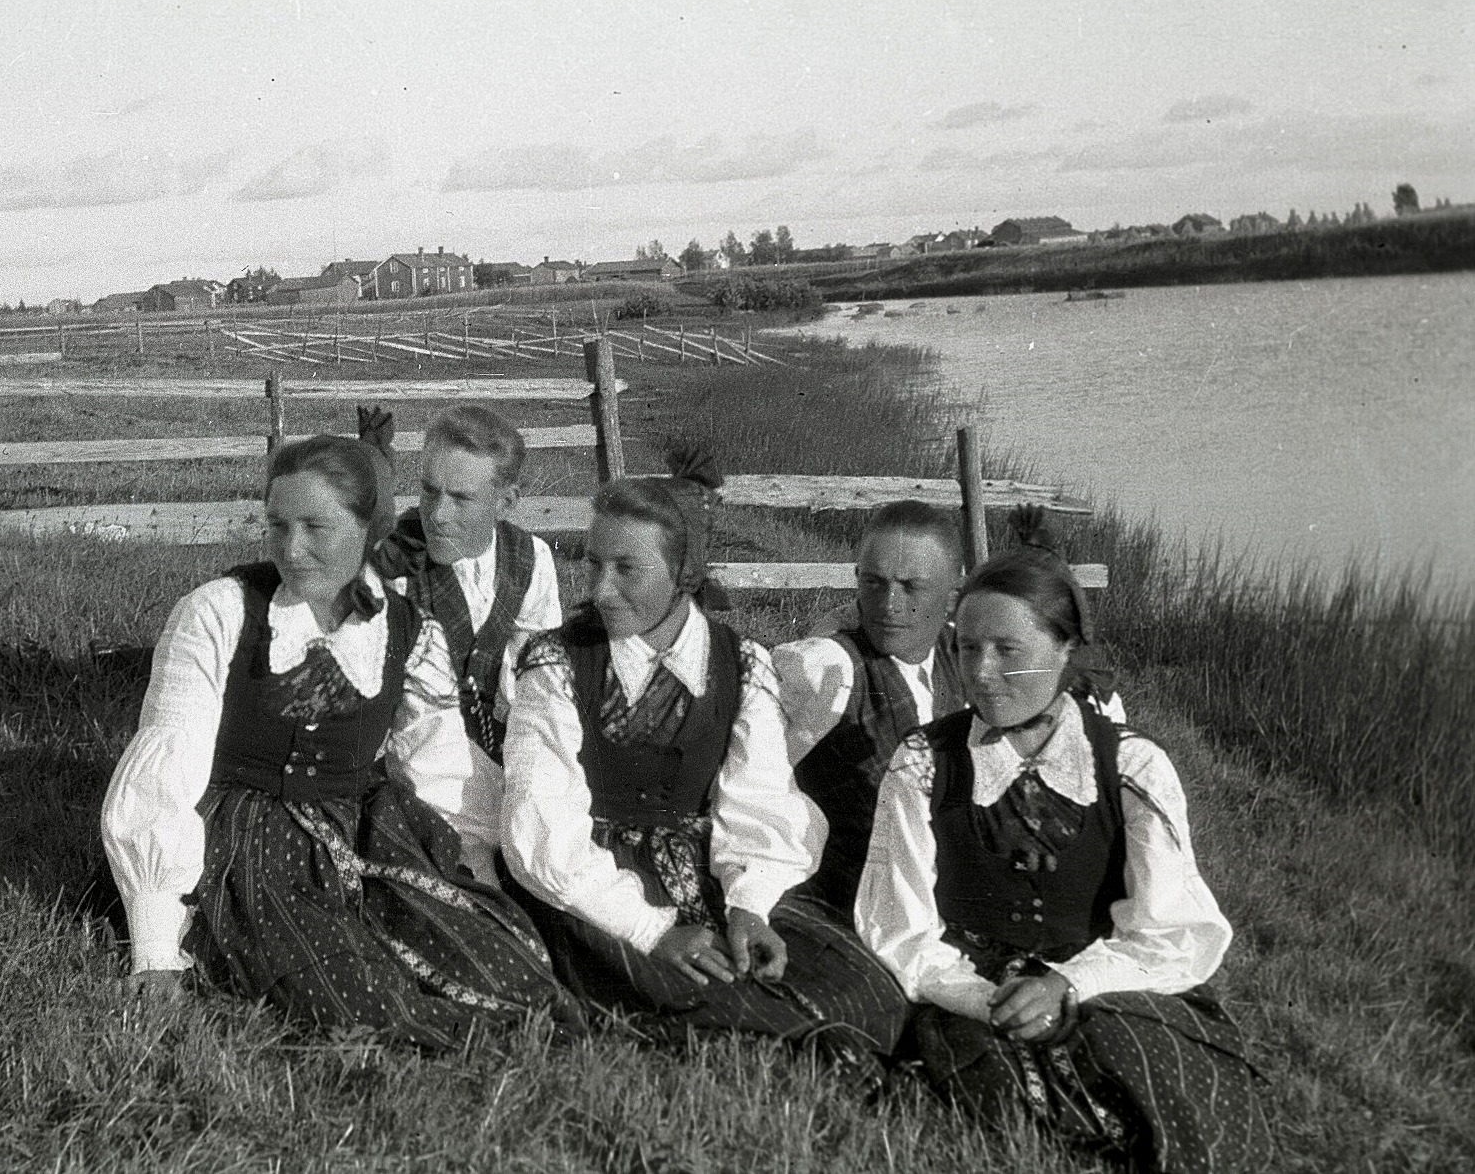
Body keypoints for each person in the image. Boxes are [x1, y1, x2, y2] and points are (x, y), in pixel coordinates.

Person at [100, 422, 570, 1051]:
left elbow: (434, 758)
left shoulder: (405, 627)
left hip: (370, 825)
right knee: (357, 993)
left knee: (515, 971)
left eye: (315, 529)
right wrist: (156, 948)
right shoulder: (221, 612)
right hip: (250, 834)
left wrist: (467, 867)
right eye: (277, 526)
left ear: (369, 531)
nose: (291, 551)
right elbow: (164, 772)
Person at [856, 545, 1271, 1173]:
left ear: (1064, 649)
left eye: (1009, 650)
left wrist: (1067, 984)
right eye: (967, 648)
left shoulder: (1131, 766)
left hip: (1106, 979)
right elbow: (899, 922)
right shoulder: (924, 762)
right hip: (973, 984)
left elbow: (1170, 926)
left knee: (1171, 1089)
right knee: (997, 1108)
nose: (983, 673)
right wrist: (979, 997)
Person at [500, 447, 908, 1056]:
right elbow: (541, 830)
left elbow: (760, 800)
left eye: (627, 569)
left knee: (869, 993)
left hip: (712, 870)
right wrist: (652, 929)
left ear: (683, 574)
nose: (600, 589)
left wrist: (749, 905)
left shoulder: (741, 665)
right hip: (598, 886)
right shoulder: (558, 664)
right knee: (702, 995)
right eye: (593, 562)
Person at [774, 501, 968, 914]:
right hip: (849, 904)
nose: (889, 605)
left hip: (943, 903)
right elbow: (746, 781)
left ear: (952, 596)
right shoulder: (827, 667)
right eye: (875, 583)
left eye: (911, 587)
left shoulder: (967, 658)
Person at [371, 405, 563, 767]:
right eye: (430, 492)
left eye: (461, 498)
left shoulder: (530, 559)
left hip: (506, 756)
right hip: (415, 764)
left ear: (505, 503)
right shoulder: (394, 565)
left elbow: (538, 685)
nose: (439, 515)